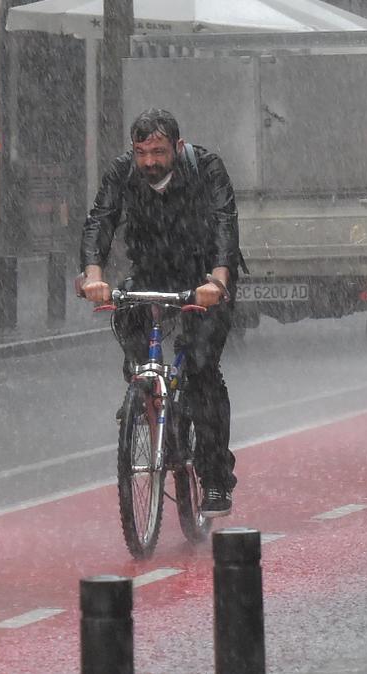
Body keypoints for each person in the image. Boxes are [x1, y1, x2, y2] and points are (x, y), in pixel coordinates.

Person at [80, 108, 241, 517]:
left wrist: (218, 281)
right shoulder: (122, 173)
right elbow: (101, 220)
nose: (149, 162)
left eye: (158, 152)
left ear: (177, 147)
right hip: (152, 270)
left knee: (202, 368)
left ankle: (216, 479)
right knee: (127, 317)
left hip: (204, 275)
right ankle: (143, 396)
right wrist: (93, 275)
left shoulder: (206, 168)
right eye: (141, 153)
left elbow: (225, 224)